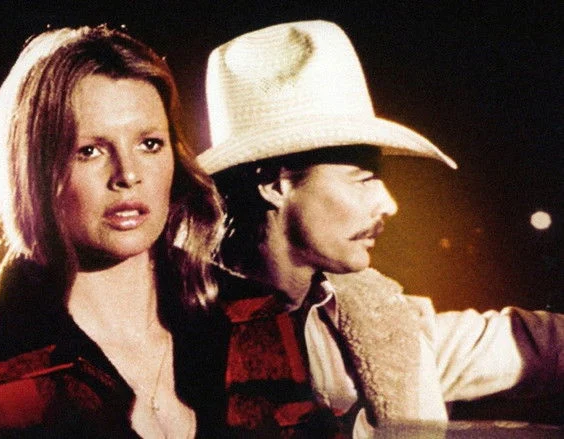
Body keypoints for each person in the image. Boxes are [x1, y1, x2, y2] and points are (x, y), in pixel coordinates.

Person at [197, 20, 563, 437]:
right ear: (274, 185)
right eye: (363, 178)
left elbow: (528, 344)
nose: (389, 204)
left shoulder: (378, 322)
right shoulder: (180, 331)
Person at [0, 25, 226, 437]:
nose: (127, 174)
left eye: (149, 144)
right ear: (35, 170)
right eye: (89, 151)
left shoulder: (257, 323)